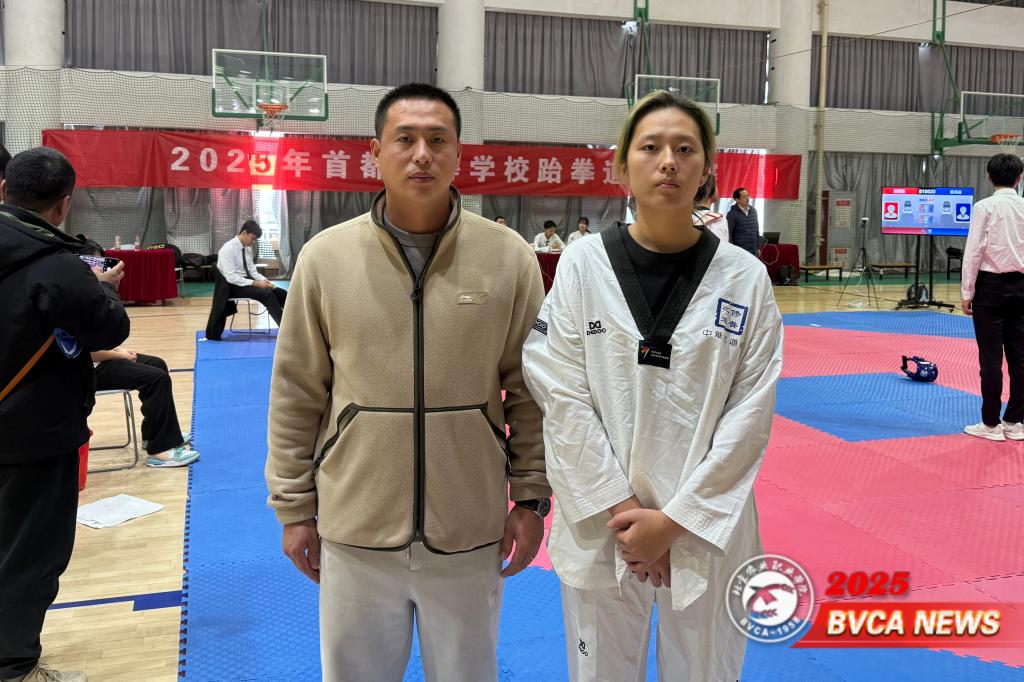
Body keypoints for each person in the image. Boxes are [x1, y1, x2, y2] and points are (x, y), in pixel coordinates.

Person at [265, 82, 550, 682]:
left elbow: (532, 392)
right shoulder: (325, 259)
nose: (422, 154)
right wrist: (293, 507)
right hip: (355, 526)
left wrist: (530, 498)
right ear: (375, 152)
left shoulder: (508, 258)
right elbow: (296, 391)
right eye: (405, 139)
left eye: (437, 140)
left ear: (459, 153)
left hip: (469, 527)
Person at [522, 91, 783, 682]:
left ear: (707, 168)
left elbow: (750, 414)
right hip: (603, 516)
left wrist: (674, 523)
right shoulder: (583, 265)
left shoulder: (745, 278)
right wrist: (625, 511)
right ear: (622, 166)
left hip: (705, 523)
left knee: (705, 671)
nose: (668, 161)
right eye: (651, 147)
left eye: (685, 149)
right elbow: (560, 394)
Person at [0, 147, 131, 682]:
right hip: (31, 433)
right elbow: (109, 329)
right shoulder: (59, 267)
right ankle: (14, 666)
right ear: (64, 204)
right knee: (29, 554)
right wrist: (104, 291)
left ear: (4, 189)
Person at [79, 242, 198, 467]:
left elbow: (95, 341)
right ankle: (160, 451)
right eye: (95, 263)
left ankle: (154, 435)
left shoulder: (89, 291)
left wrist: (117, 351)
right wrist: (119, 355)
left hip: (98, 358)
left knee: (158, 364)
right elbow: (89, 351)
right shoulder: (77, 295)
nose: (102, 268)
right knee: (156, 378)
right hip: (85, 370)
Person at [961, 153, 1024, 442]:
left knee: (990, 357)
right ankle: (1014, 421)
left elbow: (974, 251)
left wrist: (967, 292)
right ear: (1019, 179)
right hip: (1021, 287)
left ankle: (990, 424)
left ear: (989, 178)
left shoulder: (984, 207)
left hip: (991, 287)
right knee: (1020, 358)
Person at [216, 220, 287, 325]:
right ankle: (285, 330)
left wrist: (264, 280)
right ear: (244, 233)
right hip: (231, 286)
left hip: (246, 283)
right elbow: (230, 277)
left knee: (281, 292)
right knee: (268, 295)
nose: (253, 242)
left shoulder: (247, 248)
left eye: (255, 239)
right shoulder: (228, 249)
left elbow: (252, 271)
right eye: (253, 238)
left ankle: (295, 323)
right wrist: (256, 283)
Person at [694, 174, 729, 243]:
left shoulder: (682, 218)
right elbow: (721, 249)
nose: (718, 189)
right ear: (710, 189)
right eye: (716, 185)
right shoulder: (717, 221)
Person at [726, 186, 760, 255]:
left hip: (753, 250)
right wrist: (732, 250)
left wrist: (758, 247)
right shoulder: (732, 214)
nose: (747, 198)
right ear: (737, 200)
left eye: (748, 196)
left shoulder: (753, 211)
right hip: (740, 251)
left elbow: (756, 230)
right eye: (744, 197)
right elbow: (729, 234)